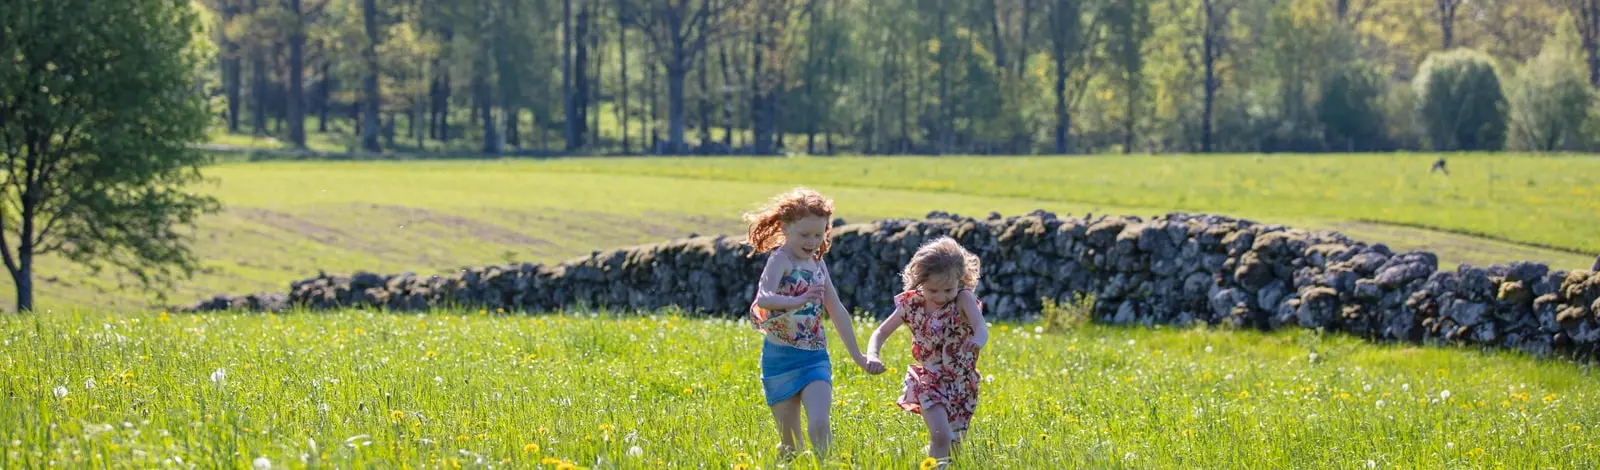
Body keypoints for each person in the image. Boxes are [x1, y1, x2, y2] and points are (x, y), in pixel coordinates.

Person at [744, 187, 879, 461]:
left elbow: (837, 310)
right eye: (805, 234)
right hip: (779, 360)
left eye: (819, 234)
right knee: (791, 445)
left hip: (815, 357)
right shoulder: (780, 260)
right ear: (785, 227)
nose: (812, 241)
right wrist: (798, 300)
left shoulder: (818, 264)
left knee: (819, 424)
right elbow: (764, 298)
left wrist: (859, 356)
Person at [864, 236, 988, 468]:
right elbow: (880, 332)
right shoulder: (912, 304)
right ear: (918, 281)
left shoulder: (963, 299)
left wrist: (977, 340)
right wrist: (873, 355)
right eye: (933, 290)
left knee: (955, 445)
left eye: (948, 289)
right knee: (941, 435)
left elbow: (981, 327)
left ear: (960, 279)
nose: (941, 297)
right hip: (929, 380)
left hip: (962, 383)